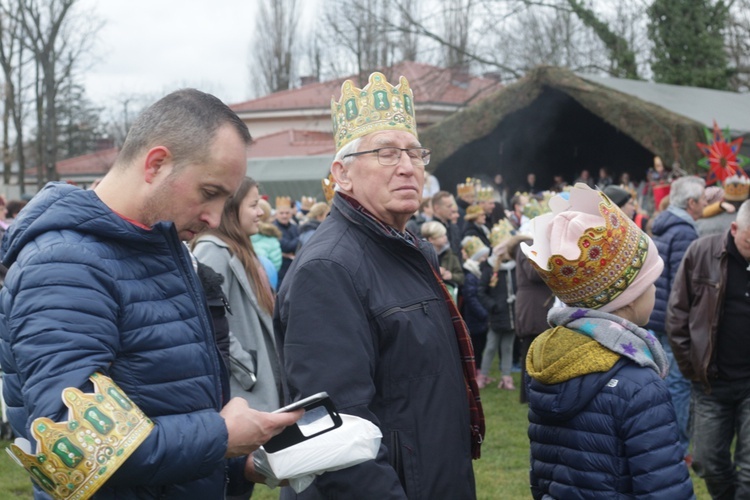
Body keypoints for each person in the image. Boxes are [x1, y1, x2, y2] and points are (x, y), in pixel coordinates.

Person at [0, 89, 301, 499]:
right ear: (156, 164)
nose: (214, 218)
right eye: (209, 192)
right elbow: (76, 446)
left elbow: (169, 400)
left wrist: (241, 463)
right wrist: (221, 436)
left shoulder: (163, 251)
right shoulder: (63, 266)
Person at [275, 71, 484, 499]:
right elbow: (336, 435)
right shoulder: (328, 269)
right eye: (386, 153)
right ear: (342, 174)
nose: (408, 167)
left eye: (414, 153)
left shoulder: (407, 248)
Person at [521, 183, 694, 499]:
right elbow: (663, 487)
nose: (656, 291)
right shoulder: (640, 384)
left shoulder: (548, 363)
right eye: (650, 283)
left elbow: (542, 472)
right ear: (628, 299)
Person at [668, 199, 750, 499]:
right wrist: (693, 368)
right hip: (711, 383)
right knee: (707, 461)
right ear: (734, 228)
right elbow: (677, 314)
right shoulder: (701, 252)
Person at [192, 177, 284, 414]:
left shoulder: (240, 250)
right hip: (245, 389)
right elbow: (205, 319)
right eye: (253, 205)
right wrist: (246, 368)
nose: (260, 213)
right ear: (231, 210)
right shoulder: (212, 251)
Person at [646, 175, 707, 460]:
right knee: (679, 384)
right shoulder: (684, 232)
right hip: (672, 321)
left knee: (663, 381)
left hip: (657, 315)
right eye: (704, 199)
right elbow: (684, 285)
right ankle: (678, 449)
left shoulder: (665, 224)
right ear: (691, 202)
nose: (706, 204)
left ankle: (659, 441)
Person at [477, 234, 527, 391]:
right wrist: (493, 306)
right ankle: (483, 375)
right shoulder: (490, 268)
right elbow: (481, 291)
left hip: (512, 315)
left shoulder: (514, 267)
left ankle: (506, 377)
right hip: (497, 316)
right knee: (491, 346)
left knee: (508, 347)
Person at [461, 236, 490, 377]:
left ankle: (478, 370)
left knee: (481, 344)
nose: (485, 259)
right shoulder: (470, 276)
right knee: (476, 347)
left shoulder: (477, 273)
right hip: (475, 318)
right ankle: (476, 372)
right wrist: (483, 313)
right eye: (483, 257)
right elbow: (470, 297)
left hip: (480, 318)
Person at [421, 220, 464, 288]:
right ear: (431, 239)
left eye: (445, 235)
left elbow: (461, 277)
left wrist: (451, 276)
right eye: (441, 236)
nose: (445, 238)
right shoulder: (421, 254)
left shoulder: (450, 253)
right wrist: (435, 271)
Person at [273, 196, 299, 287]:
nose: (284, 216)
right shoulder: (273, 229)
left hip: (293, 269)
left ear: (291, 214)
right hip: (281, 271)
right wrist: (300, 238)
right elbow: (287, 246)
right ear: (276, 214)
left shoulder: (294, 227)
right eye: (281, 213)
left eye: (287, 213)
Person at [432, 190, 463, 257]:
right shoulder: (431, 229)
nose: (452, 209)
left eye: (452, 206)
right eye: (449, 206)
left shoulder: (454, 227)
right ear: (437, 208)